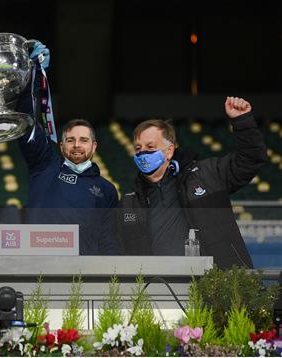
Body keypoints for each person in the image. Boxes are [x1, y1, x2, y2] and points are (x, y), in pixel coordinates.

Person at [116, 97, 268, 268]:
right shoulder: (130, 200)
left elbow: (251, 160)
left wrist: (243, 121)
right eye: (138, 148)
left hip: (212, 285)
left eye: (150, 147)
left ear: (169, 150)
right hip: (158, 288)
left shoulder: (208, 174)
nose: (142, 153)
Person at [14, 43, 119, 255]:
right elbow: (26, 122)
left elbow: (109, 239)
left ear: (94, 145)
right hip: (38, 268)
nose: (77, 145)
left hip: (85, 275)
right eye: (70, 140)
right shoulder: (44, 166)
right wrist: (34, 74)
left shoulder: (106, 190)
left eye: (83, 140)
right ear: (61, 146)